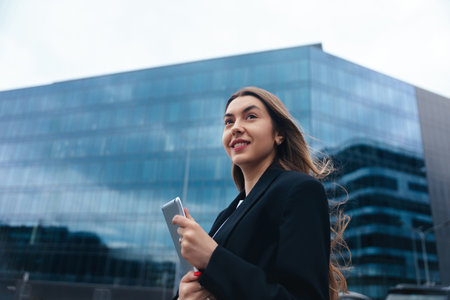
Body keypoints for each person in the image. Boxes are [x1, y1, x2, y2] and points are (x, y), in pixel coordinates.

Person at [172, 87, 349, 300]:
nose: (236, 127)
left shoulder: (300, 190)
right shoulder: (226, 215)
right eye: (229, 121)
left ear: (279, 134)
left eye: (251, 117)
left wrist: (211, 256)